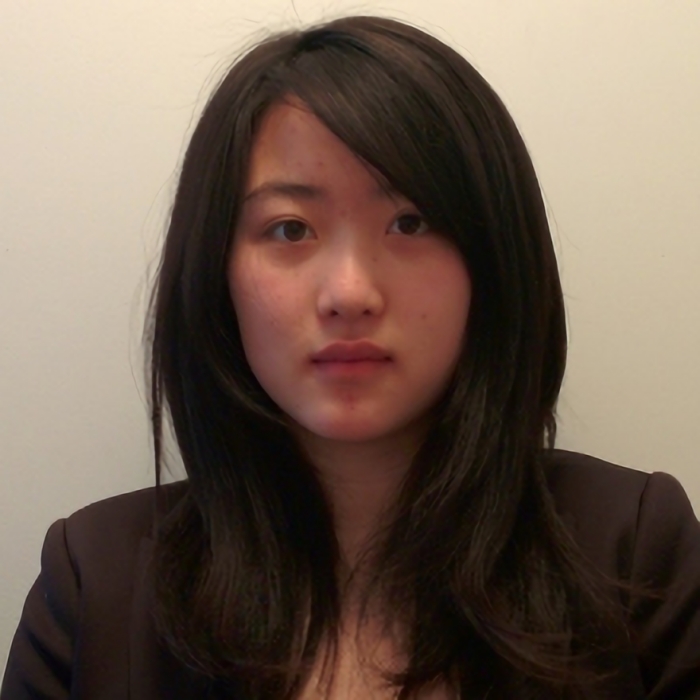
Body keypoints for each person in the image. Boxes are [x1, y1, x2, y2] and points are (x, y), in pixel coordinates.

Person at [2, 14, 700, 700]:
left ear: (493, 262)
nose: (349, 293)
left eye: (410, 222)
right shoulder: (95, 586)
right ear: (216, 273)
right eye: (290, 229)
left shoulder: (637, 552)